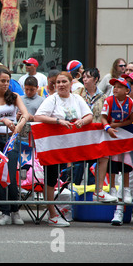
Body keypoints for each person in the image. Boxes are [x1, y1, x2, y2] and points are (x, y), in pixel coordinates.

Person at [34, 71, 93, 227]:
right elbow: (38, 117)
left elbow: (89, 116)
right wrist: (58, 121)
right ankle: (52, 214)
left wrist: (82, 121)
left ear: (70, 83)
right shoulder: (52, 99)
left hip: (73, 147)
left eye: (63, 82)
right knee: (51, 179)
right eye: (58, 82)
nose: (60, 85)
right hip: (54, 147)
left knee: (68, 179)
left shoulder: (77, 98)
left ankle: (65, 209)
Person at [0, 67, 30, 225]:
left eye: (8, 81)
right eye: (2, 81)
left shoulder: (14, 96)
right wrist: (2, 121)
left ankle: (15, 211)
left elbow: (26, 114)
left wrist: (19, 126)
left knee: (11, 176)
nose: (6, 84)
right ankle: (5, 212)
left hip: (11, 139)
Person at [99, 78, 133, 225]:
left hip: (126, 138)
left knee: (126, 168)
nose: (115, 89)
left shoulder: (130, 103)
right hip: (117, 138)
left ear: (127, 91)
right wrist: (109, 127)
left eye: (120, 87)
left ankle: (125, 197)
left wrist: (118, 124)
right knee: (115, 167)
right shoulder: (109, 100)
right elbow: (103, 117)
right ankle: (118, 209)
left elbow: (131, 119)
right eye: (114, 86)